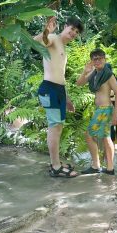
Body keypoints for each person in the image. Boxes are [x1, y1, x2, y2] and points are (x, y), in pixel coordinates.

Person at [34, 16, 84, 178]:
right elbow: (36, 42)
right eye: (72, 29)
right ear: (65, 26)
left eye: (76, 32)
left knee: (58, 127)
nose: (73, 33)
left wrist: (67, 98)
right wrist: (47, 30)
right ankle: (55, 167)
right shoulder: (54, 38)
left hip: (59, 90)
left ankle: (56, 163)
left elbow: (60, 75)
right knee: (54, 127)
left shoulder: (62, 47)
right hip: (50, 88)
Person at [77, 48, 117, 175]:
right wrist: (85, 71)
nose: (97, 61)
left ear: (104, 59)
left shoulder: (108, 74)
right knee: (106, 137)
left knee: (89, 135)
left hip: (105, 109)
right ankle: (110, 168)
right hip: (100, 109)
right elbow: (79, 83)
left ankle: (96, 165)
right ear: (91, 61)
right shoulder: (94, 74)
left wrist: (116, 113)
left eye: (100, 58)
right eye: (94, 59)